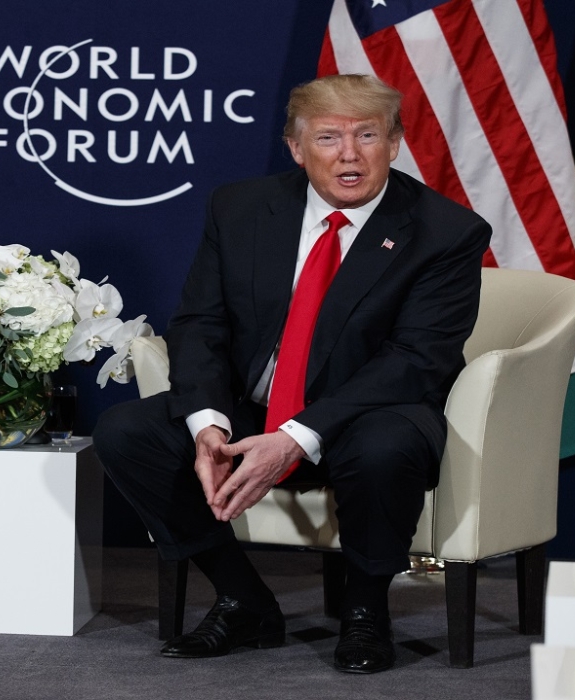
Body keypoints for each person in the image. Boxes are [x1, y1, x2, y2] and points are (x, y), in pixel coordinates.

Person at [94, 74, 492, 674]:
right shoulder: (240, 208)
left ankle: (366, 612)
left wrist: (296, 437)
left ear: (395, 143)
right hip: (257, 406)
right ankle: (243, 599)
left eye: (367, 136)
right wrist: (208, 425)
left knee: (386, 447)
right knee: (128, 431)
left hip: (369, 410)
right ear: (297, 147)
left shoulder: (445, 232)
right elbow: (201, 322)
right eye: (329, 137)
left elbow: (416, 359)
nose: (350, 154)